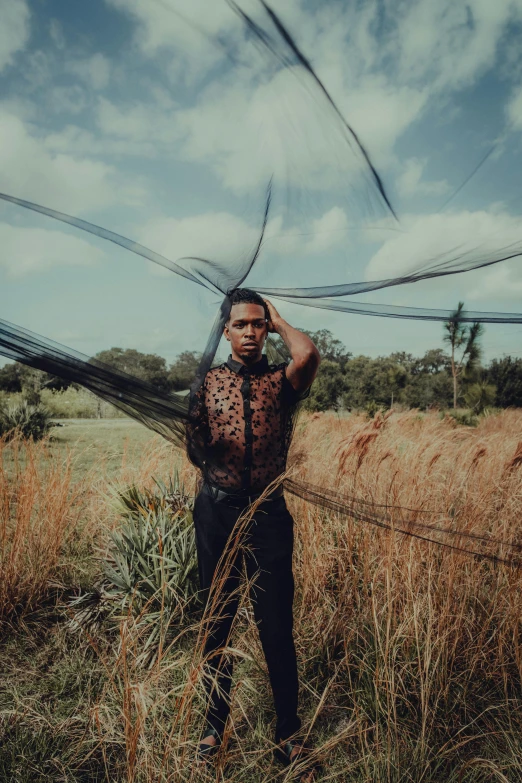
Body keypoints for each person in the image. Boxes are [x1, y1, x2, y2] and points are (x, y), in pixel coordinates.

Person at [189, 288, 320, 779]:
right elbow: (194, 445)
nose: (249, 332)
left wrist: (281, 319)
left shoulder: (282, 382)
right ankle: (212, 728)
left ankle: (287, 735)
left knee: (275, 625)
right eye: (240, 324)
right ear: (225, 330)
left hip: (268, 515)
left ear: (266, 330)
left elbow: (307, 353)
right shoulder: (207, 382)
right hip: (216, 513)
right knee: (217, 620)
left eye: (257, 325)